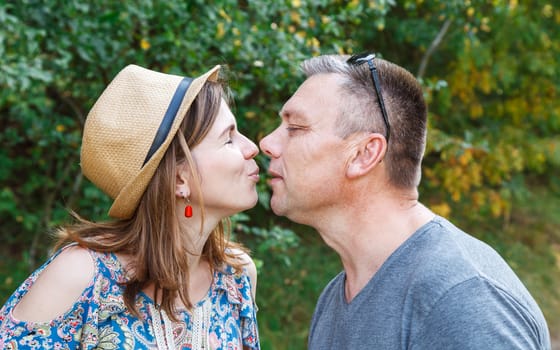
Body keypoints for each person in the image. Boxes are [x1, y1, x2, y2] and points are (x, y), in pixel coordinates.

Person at [259, 53, 551, 349]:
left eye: (295, 128)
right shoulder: (335, 299)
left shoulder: (461, 300)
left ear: (364, 154)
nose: (267, 143)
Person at [0, 64, 261, 349]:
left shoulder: (236, 276)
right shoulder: (82, 278)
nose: (252, 147)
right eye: (229, 138)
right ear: (179, 178)